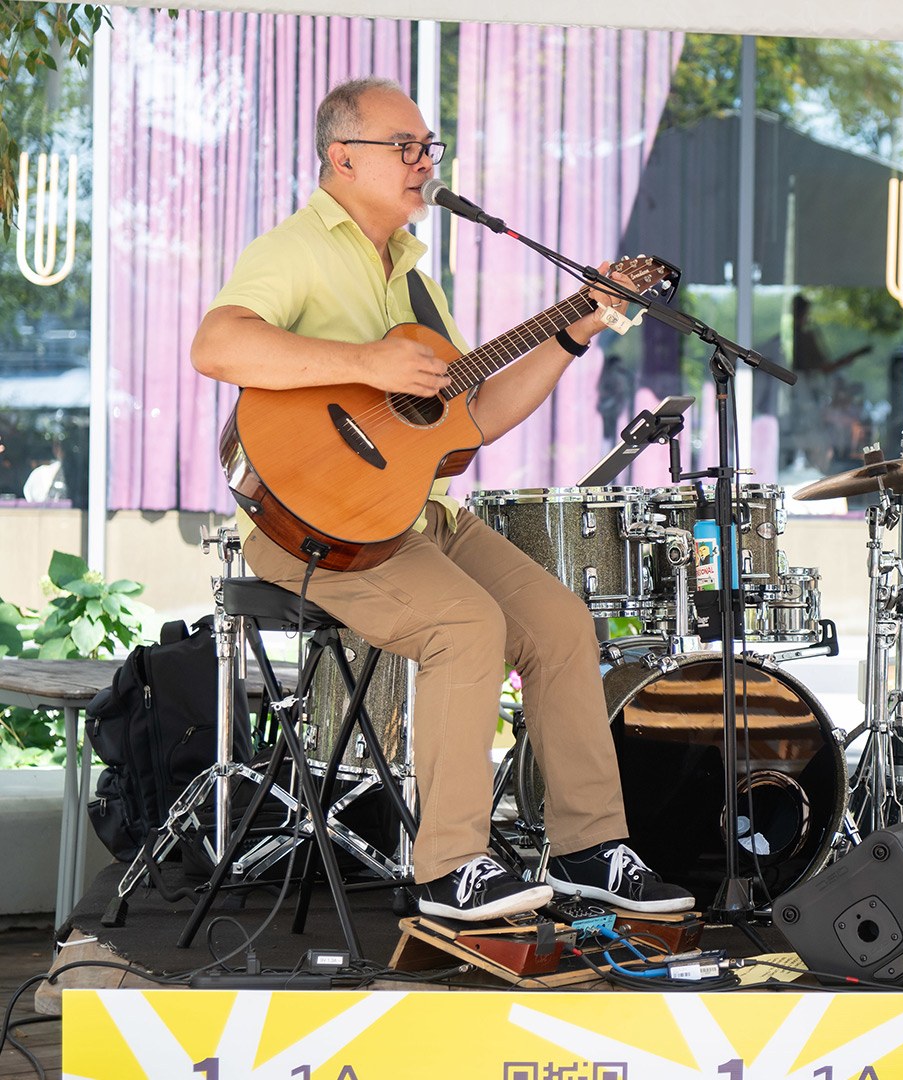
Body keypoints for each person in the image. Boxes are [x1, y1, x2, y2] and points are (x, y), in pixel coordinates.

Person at [190, 78, 694, 923]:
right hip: (313, 529)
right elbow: (218, 345)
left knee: (564, 626)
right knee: (468, 628)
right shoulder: (297, 248)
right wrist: (365, 365)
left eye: (432, 148)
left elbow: (475, 415)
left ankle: (587, 846)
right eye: (408, 147)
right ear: (341, 156)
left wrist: (577, 325)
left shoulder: (417, 280)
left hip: (417, 519)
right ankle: (450, 866)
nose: (427, 162)